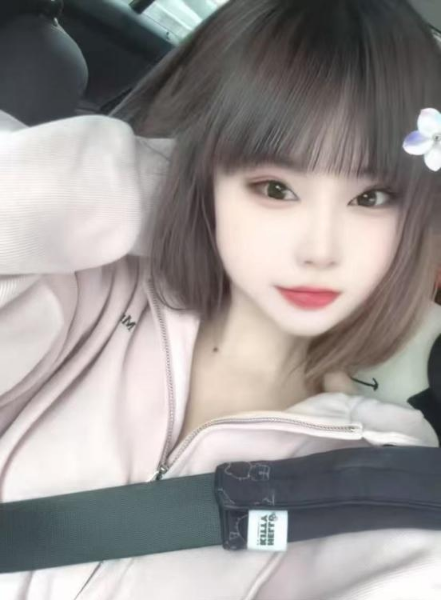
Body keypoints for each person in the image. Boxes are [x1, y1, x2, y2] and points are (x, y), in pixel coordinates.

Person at [0, 0, 440, 598]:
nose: (320, 250)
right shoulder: (72, 299)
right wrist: (176, 193)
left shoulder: (388, 487)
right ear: (205, 172)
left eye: (371, 198)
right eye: (275, 187)